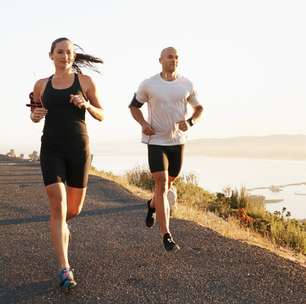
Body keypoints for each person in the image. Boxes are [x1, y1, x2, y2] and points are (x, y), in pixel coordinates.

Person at [29, 37, 104, 289]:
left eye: (69, 52)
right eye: (60, 52)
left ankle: (58, 228)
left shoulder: (85, 82)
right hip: (51, 148)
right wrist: (35, 115)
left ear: (73, 56)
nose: (64, 56)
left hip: (78, 150)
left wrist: (87, 105)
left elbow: (102, 114)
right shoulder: (41, 85)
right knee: (57, 208)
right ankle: (64, 269)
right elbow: (34, 113)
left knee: (72, 211)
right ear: (51, 55)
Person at [129, 47, 203, 251]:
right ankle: (166, 235)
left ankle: (152, 205)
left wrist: (191, 122)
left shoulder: (187, 84)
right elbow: (133, 106)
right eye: (170, 57)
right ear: (160, 60)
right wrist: (143, 124)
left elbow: (199, 109)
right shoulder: (148, 84)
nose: (174, 60)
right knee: (161, 183)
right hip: (156, 140)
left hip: (178, 141)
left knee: (168, 183)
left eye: (177, 57)